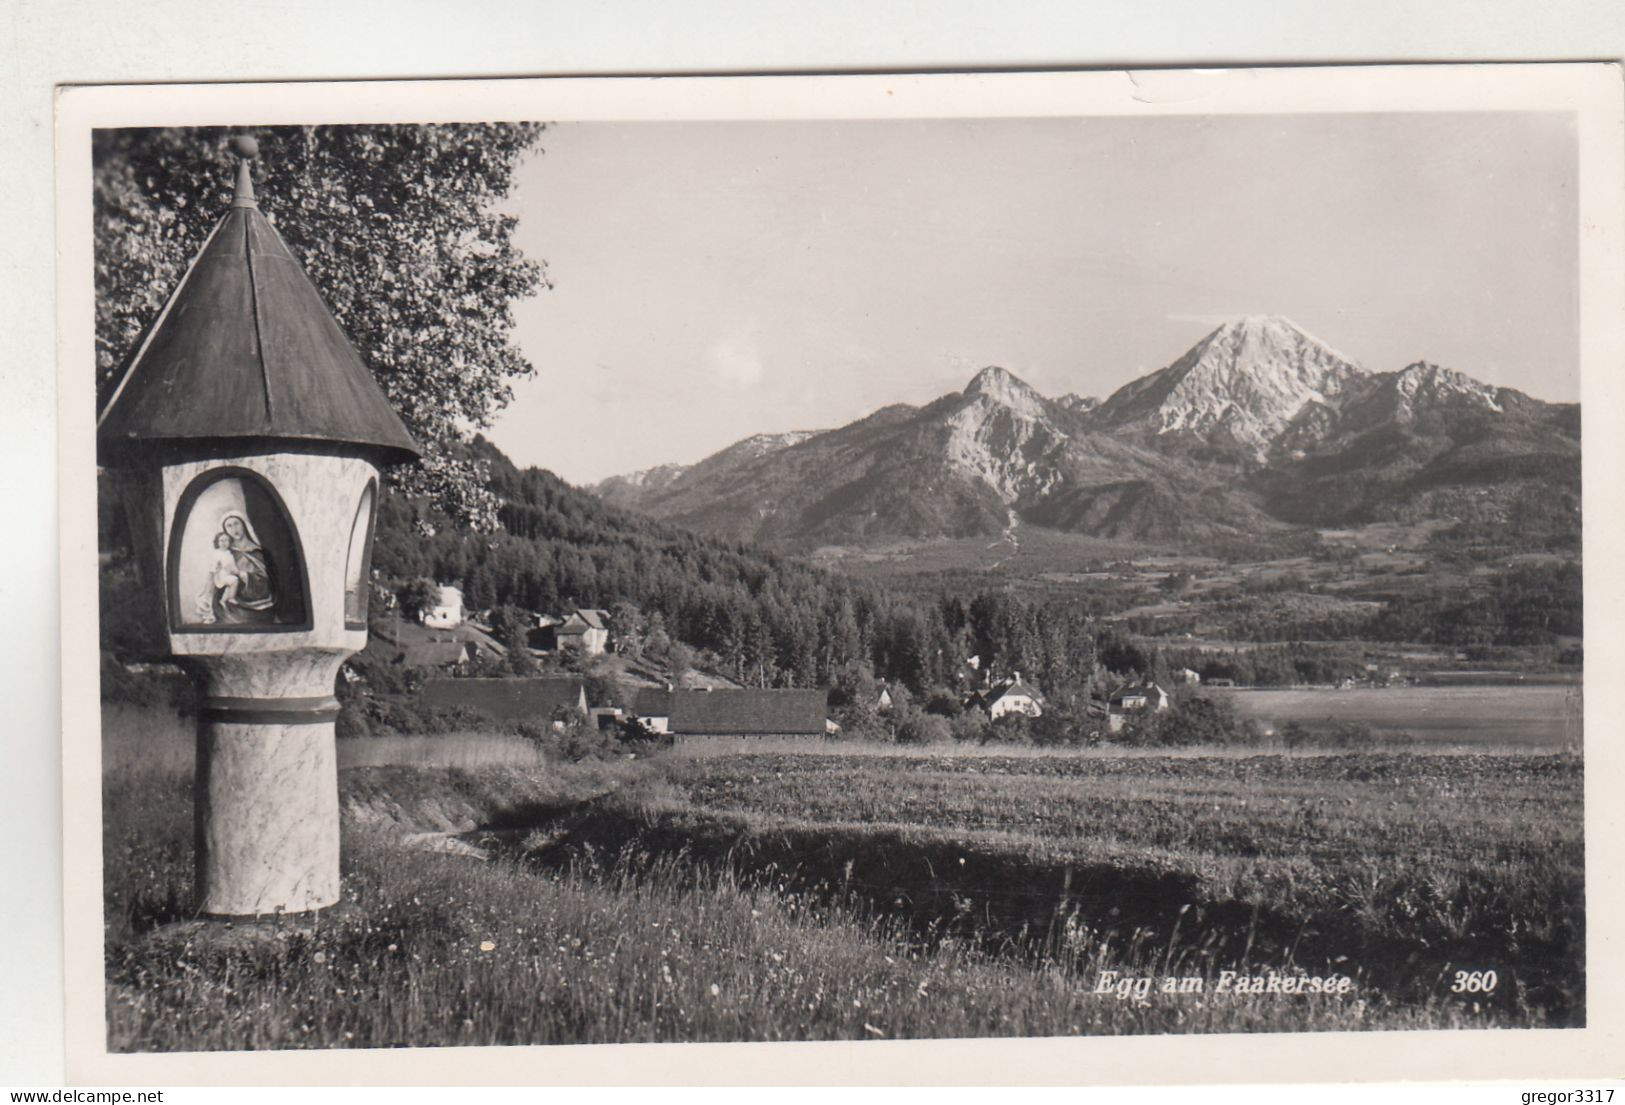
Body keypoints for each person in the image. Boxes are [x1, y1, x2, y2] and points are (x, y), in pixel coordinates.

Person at [214, 511, 278, 623]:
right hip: (233, 604)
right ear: (225, 531)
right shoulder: (227, 553)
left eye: (236, 523)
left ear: (244, 525)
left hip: (261, 603)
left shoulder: (259, 551)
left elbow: (270, 581)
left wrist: (244, 575)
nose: (234, 529)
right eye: (229, 526)